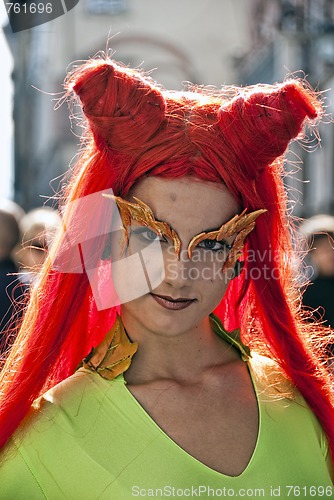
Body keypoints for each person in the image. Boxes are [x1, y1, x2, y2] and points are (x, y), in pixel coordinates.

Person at [0, 56, 333, 498]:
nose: (179, 273)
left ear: (241, 251)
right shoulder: (39, 445)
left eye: (212, 242)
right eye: (149, 235)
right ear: (103, 236)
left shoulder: (302, 407)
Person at [301, 214, 334, 328]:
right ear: (313, 254)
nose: (330, 254)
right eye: (324, 249)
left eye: (332, 246)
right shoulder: (307, 293)